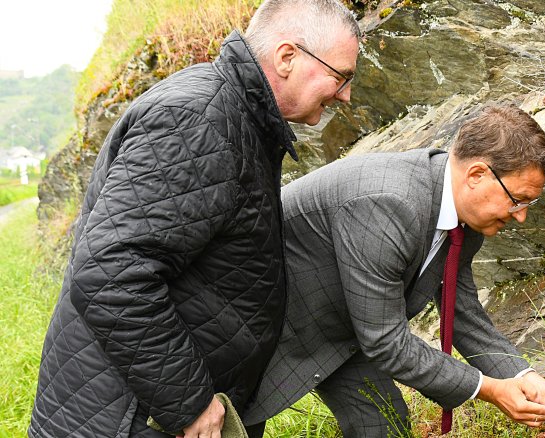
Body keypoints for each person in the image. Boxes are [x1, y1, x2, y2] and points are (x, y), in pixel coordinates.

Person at [28, 1, 360, 437]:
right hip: (125, 418)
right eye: (341, 76)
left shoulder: (236, 116)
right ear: (286, 57)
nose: (346, 94)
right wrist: (188, 402)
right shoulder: (199, 119)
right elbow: (111, 273)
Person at [243, 106, 545, 436]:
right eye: (517, 199)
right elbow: (386, 342)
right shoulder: (390, 205)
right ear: (477, 174)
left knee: (384, 425)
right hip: (251, 325)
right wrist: (489, 389)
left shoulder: (462, 221)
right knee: (230, 426)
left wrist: (526, 379)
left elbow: (464, 315)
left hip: (340, 323)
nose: (521, 215)